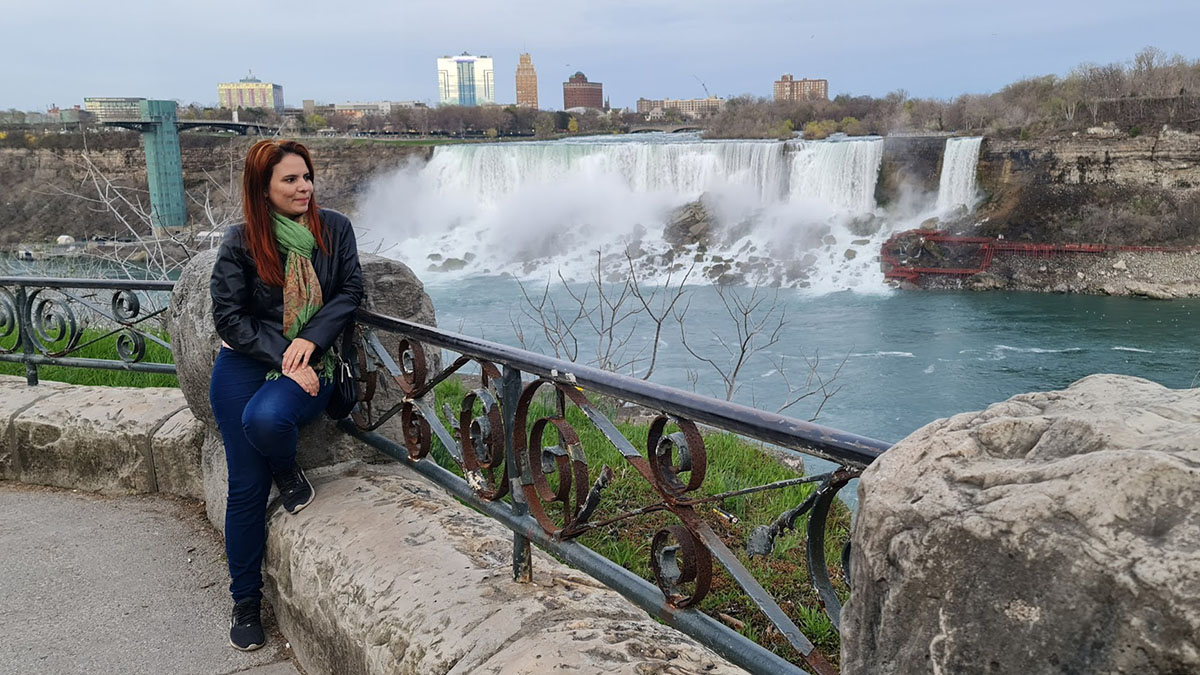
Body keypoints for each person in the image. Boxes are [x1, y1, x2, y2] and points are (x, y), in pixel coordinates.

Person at [208, 139, 363, 651]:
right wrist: (285, 356)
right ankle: (245, 601)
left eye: (306, 177)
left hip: (313, 362)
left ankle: (287, 466)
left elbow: (349, 293)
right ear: (263, 189)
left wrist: (308, 343)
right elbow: (229, 318)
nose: (304, 188)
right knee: (246, 487)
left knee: (268, 420)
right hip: (246, 364)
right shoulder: (240, 243)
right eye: (290, 181)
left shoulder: (334, 229)